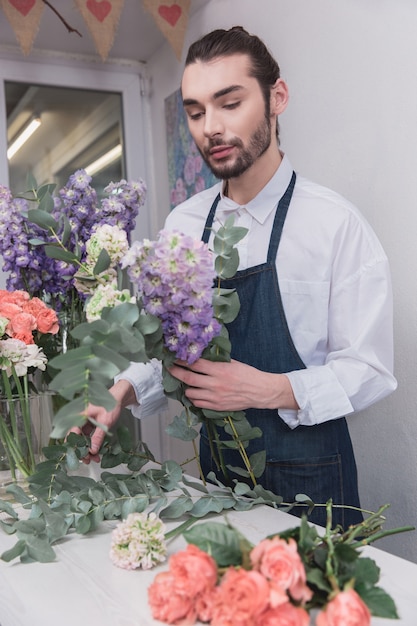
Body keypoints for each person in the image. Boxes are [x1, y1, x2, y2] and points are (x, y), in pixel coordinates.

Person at [76, 26, 397, 527]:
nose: (211, 128)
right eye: (197, 111)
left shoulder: (335, 224)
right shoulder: (183, 225)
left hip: (315, 488)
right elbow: (177, 354)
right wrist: (121, 391)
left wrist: (265, 390)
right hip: (216, 484)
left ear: (277, 97)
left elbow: (369, 370)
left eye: (230, 103)